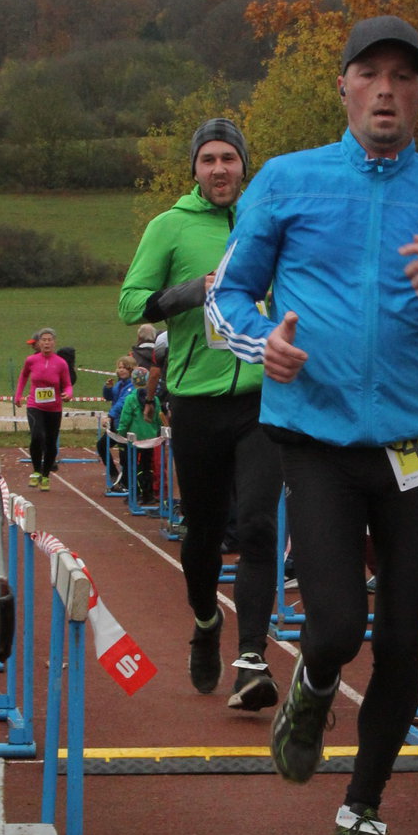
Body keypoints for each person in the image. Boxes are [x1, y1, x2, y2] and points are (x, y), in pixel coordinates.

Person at [207, 14, 418, 835]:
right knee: (340, 623)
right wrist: (261, 344)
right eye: (370, 74)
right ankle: (312, 687)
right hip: (318, 438)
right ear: (344, 86)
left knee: (405, 639)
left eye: (403, 77)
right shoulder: (287, 181)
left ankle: (362, 811)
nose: (386, 90)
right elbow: (225, 297)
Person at [120, 117, 281, 712]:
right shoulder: (169, 226)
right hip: (196, 401)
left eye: (229, 159)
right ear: (195, 167)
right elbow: (130, 303)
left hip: (263, 398)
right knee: (204, 533)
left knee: (259, 525)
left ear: (244, 166)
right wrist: (196, 290)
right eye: (208, 159)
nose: (219, 169)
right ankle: (208, 619)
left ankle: (253, 659)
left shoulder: (267, 220)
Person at [14, 327, 73, 491]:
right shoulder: (31, 360)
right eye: (44, 340)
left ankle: (46, 475)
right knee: (37, 436)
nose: (47, 343)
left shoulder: (61, 363)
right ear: (39, 343)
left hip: (54, 407)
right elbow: (23, 376)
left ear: (54, 342)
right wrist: (18, 395)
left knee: (51, 442)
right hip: (35, 405)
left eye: (49, 340)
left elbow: (67, 384)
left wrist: (68, 394)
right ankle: (36, 471)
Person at [115, 365, 161, 504]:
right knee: (147, 466)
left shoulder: (131, 398)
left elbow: (125, 418)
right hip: (150, 438)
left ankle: (138, 494)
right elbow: (158, 418)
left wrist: (121, 433)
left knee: (134, 466)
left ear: (133, 380)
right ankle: (148, 493)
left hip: (134, 439)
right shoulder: (154, 399)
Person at [99, 355, 134, 491]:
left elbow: (122, 403)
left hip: (125, 424)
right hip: (116, 423)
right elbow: (110, 397)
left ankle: (126, 483)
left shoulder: (132, 386)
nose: (121, 370)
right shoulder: (119, 384)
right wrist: (107, 388)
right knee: (102, 445)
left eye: (125, 368)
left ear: (131, 370)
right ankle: (114, 474)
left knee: (124, 455)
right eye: (119, 367)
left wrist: (110, 416)